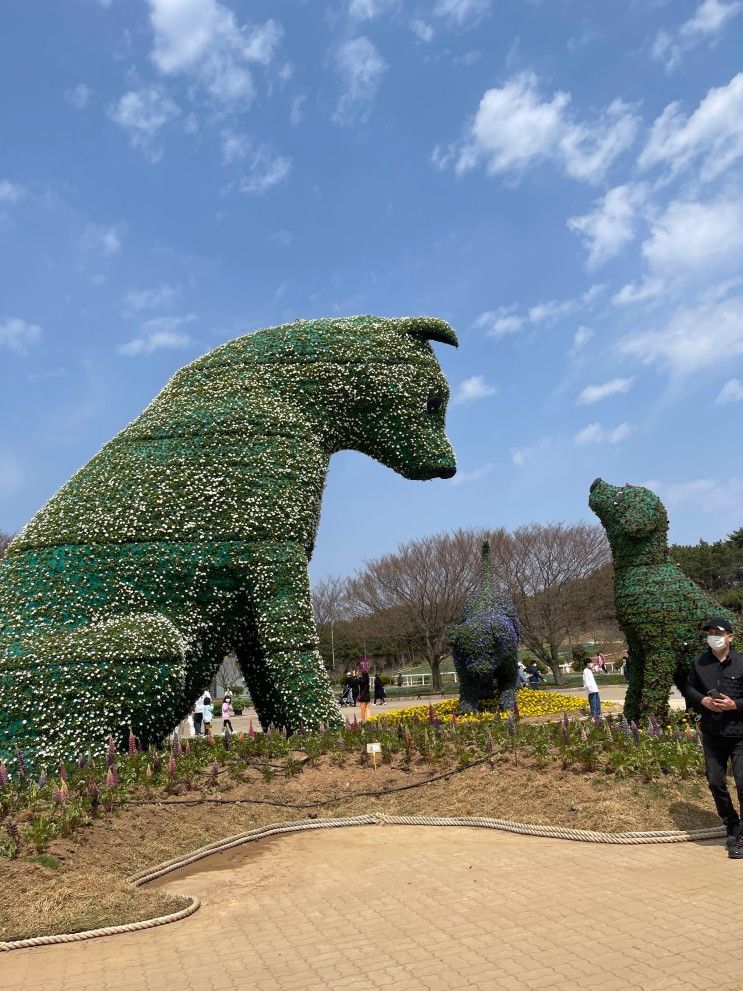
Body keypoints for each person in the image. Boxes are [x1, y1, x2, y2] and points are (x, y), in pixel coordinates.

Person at [685, 616, 743, 858]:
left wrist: (735, 704)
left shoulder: (741, 662)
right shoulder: (699, 663)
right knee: (715, 782)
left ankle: (740, 838)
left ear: (730, 636)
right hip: (712, 734)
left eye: (718, 633)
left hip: (740, 734)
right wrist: (703, 700)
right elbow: (688, 687)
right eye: (710, 633)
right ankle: (732, 824)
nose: (714, 637)